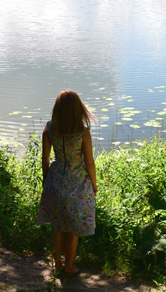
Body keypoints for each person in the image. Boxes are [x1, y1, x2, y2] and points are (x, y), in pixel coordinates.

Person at [38, 90, 98, 276]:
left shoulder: (49, 129)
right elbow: (89, 162)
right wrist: (94, 185)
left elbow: (45, 159)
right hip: (77, 184)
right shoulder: (83, 133)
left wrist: (46, 181)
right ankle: (69, 267)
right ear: (77, 110)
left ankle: (56, 265)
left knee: (57, 227)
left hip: (55, 181)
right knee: (72, 230)